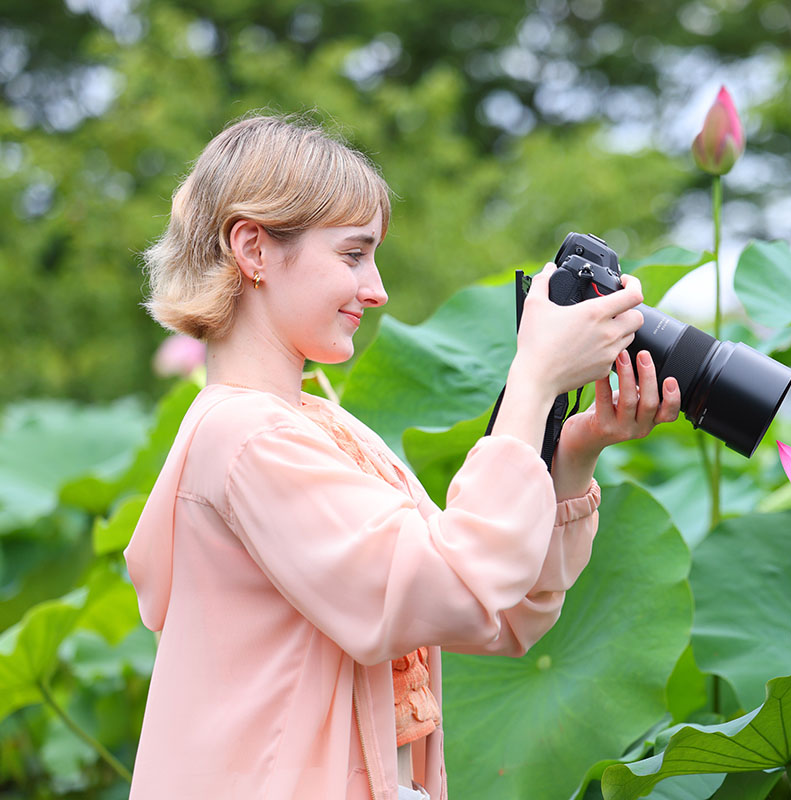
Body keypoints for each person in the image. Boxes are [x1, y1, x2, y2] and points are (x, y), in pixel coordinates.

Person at [123, 114, 681, 800]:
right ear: (254, 249)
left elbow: (497, 614)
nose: (377, 288)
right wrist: (533, 379)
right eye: (354, 254)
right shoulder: (246, 439)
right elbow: (460, 582)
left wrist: (573, 450)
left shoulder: (324, 426)